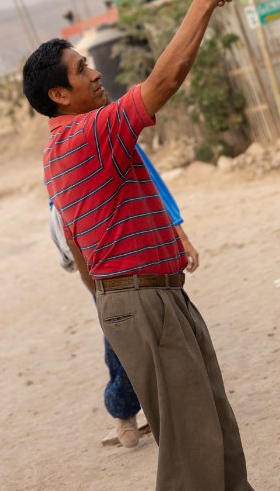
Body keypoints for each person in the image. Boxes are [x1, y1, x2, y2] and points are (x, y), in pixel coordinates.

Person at [23, 0, 254, 491]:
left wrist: (111, 302)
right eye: (82, 70)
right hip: (144, 300)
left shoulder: (61, 149)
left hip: (149, 295)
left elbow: (78, 246)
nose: (95, 71)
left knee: (213, 432)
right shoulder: (85, 135)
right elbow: (167, 77)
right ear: (58, 95)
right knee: (193, 450)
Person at [48, 145, 200, 449]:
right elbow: (65, 214)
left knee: (169, 322)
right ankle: (123, 408)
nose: (100, 93)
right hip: (103, 259)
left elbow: (153, 184)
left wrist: (180, 236)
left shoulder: (118, 128)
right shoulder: (62, 147)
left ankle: (181, 408)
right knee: (121, 333)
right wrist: (90, 279)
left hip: (145, 245)